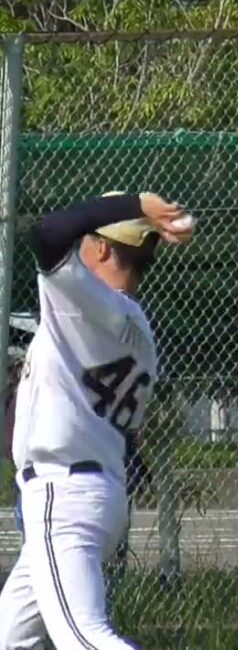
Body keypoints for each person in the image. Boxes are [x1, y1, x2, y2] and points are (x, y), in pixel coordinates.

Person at [0, 191, 193, 649]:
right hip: (96, 493)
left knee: (83, 638)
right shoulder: (140, 332)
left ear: (103, 248)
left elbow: (47, 234)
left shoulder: (84, 302)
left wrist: (135, 204)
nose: (78, 249)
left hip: (63, 496)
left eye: (88, 239)